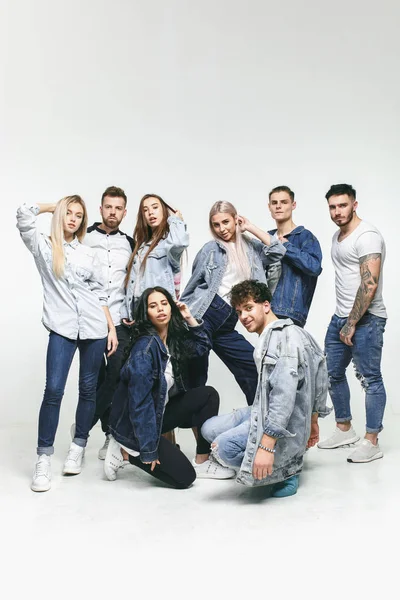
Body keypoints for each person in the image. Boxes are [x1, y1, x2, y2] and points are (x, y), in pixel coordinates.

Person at [17, 197, 118, 493]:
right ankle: (43, 458)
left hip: (94, 329)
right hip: (61, 328)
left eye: (78, 215)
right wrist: (52, 206)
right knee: (54, 390)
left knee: (88, 390)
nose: (72, 219)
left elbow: (101, 294)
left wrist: (110, 328)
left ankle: (78, 446)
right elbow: (23, 216)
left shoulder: (88, 253)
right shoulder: (44, 246)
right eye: (68, 213)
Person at [202, 280, 330, 497]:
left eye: (249, 308)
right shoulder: (292, 332)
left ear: (266, 306)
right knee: (209, 429)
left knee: (224, 448)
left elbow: (283, 396)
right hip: (263, 409)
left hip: (283, 421)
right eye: (239, 312)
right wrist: (313, 419)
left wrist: (266, 447)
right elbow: (320, 377)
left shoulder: (282, 340)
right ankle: (280, 457)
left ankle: (286, 469)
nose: (243, 317)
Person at [104, 287, 236, 488]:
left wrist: (189, 317)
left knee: (208, 395)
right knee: (184, 478)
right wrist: (148, 450)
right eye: (153, 306)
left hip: (158, 415)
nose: (160, 309)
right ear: (145, 313)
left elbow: (202, 348)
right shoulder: (145, 350)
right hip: (135, 425)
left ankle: (202, 461)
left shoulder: (173, 339)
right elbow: (140, 405)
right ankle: (124, 452)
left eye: (164, 303)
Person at [180, 201, 285, 406]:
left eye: (226, 222)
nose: (222, 229)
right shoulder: (211, 249)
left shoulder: (252, 247)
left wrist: (250, 227)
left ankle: (257, 423)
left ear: (236, 219)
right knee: (196, 380)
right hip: (204, 316)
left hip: (228, 321)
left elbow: (278, 252)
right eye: (216, 225)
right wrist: (183, 315)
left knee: (251, 368)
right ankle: (199, 436)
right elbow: (194, 284)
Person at [318, 184, 387, 463]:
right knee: (331, 373)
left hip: (366, 319)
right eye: (333, 207)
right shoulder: (338, 236)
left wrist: (352, 323)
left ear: (354, 205)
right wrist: (342, 321)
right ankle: (344, 429)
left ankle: (372, 441)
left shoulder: (367, 236)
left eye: (342, 205)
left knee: (371, 379)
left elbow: (368, 285)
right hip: (340, 317)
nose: (337, 212)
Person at [82, 186, 134, 459]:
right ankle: (108, 434)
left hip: (120, 319)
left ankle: (84, 427)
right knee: (97, 379)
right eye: (108, 207)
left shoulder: (129, 242)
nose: (112, 212)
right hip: (91, 319)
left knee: (115, 376)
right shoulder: (84, 238)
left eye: (118, 208)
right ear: (100, 208)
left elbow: (133, 282)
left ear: (124, 212)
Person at [121, 194, 188, 324]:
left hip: (158, 309)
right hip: (139, 311)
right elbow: (133, 283)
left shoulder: (168, 242)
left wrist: (175, 220)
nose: (150, 212)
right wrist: (128, 312)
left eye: (155, 207)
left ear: (164, 210)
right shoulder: (141, 246)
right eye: (145, 210)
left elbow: (179, 243)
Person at [266, 185, 322, 326]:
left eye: (284, 202)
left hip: (288, 312)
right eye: (274, 203)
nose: (278, 206)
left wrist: (286, 247)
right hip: (265, 310)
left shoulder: (305, 237)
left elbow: (314, 267)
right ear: (269, 207)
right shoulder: (267, 237)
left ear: (293, 205)